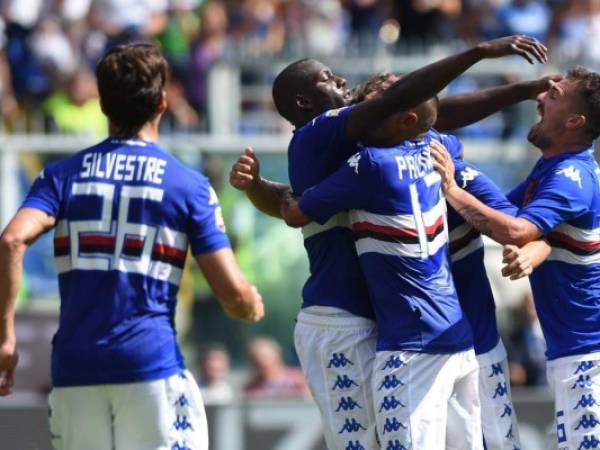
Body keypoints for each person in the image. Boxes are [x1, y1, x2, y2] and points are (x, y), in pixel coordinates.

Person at [230, 35, 548, 450]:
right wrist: (478, 53)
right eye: (328, 78)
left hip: (389, 325)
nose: (341, 79)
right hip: (339, 320)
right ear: (305, 103)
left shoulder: (370, 147)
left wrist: (522, 90)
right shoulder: (316, 134)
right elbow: (294, 210)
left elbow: (429, 111)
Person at [0, 43, 264, 450]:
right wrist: (250, 303)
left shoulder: (61, 176)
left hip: (74, 371)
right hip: (149, 365)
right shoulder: (187, 185)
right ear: (162, 102)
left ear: (103, 103)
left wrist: (6, 338)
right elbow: (231, 292)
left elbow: (12, 239)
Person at [431, 66, 600, 450]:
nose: (540, 99)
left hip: (588, 358)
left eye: (553, 96)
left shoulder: (572, 176)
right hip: (573, 353)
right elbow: (508, 213)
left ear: (575, 121)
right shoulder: (554, 168)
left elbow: (517, 231)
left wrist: (453, 190)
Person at [244, 336, 310, 399]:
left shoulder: (298, 380)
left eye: (265, 358)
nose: (261, 363)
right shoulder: (252, 387)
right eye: (255, 360)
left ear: (276, 357)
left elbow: (309, 397)